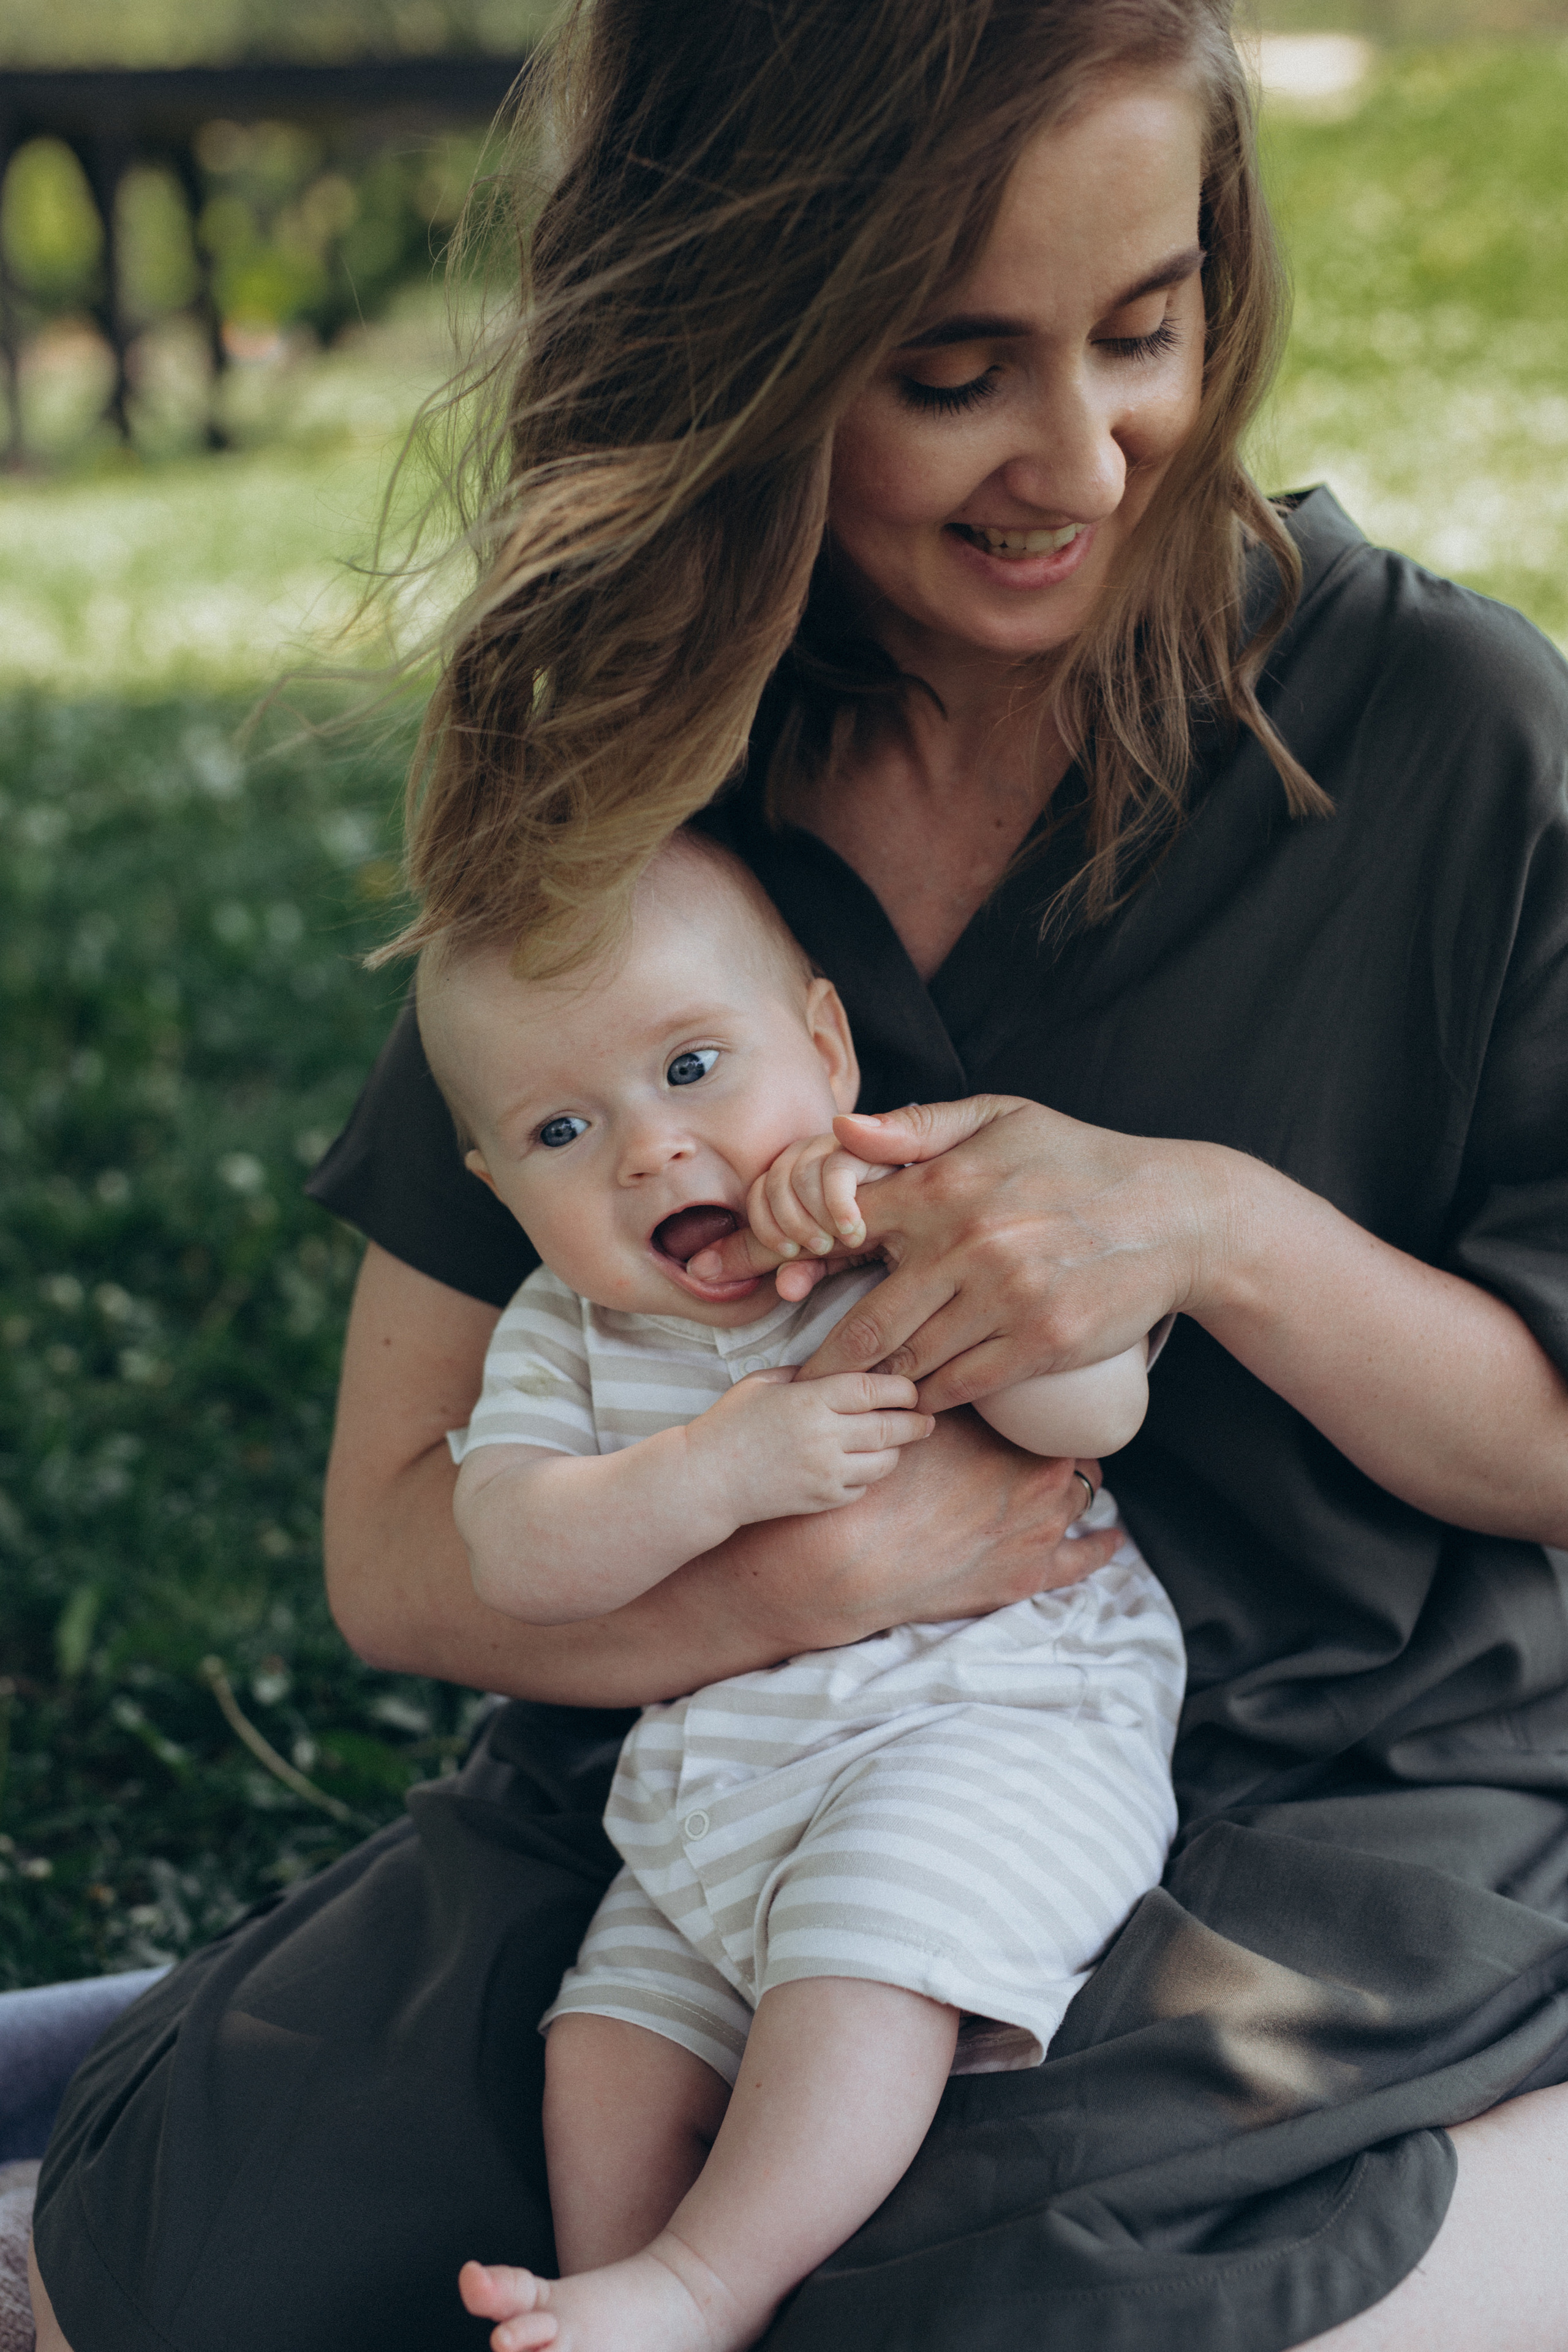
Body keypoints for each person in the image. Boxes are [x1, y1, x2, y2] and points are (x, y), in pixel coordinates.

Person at [29, 1, 1568, 2348]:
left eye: (1146, 332)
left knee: (946, 2278)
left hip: (1316, 1776)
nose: (1083, 455)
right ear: (739, 345)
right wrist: (802, 1584)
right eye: (952, 374)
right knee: (218, 2252)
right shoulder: (644, 775)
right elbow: (396, 1550)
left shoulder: (1456, 737)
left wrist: (1219, 1234)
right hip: (715, 1763)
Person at [418, 828, 1182, 2351]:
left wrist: (938, 1239)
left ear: (823, 1048)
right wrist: (708, 1472)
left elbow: (1091, 1415)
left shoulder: (902, 1220)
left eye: (691, 1067)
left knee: (863, 1949)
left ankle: (704, 2287)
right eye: (560, 1131)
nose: (651, 1150)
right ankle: (614, 2298)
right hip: (720, 1792)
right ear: (497, 1187)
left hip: (993, 1727)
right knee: (606, 2043)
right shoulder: (563, 1335)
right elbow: (512, 1551)